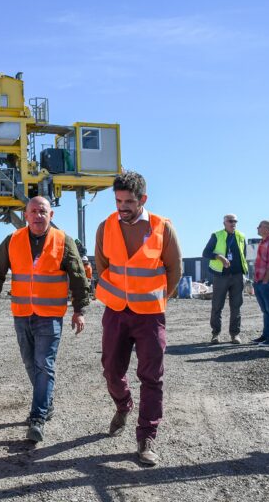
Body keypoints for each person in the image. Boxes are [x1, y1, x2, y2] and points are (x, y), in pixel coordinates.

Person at [0, 196, 88, 443]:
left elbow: (78, 277)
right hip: (22, 313)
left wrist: (79, 310)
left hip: (50, 316)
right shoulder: (13, 240)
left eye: (43, 211)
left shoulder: (63, 241)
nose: (38, 215)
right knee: (31, 363)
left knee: (44, 363)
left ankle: (37, 418)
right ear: (26, 215)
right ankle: (46, 402)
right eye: (33, 211)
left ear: (51, 216)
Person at [95, 171, 182, 466]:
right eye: (118, 200)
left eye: (129, 201)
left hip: (149, 316)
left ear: (143, 199)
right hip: (116, 313)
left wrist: (155, 299)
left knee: (152, 377)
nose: (122, 206)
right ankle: (123, 405)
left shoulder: (162, 228)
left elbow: (174, 270)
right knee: (110, 370)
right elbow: (102, 266)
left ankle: (147, 437)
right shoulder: (105, 227)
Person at [202, 213, 248, 344]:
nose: (233, 223)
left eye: (235, 221)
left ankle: (235, 335)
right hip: (221, 276)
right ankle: (215, 334)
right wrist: (219, 257)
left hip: (238, 276)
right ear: (224, 223)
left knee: (236, 306)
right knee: (217, 306)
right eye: (230, 221)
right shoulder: (216, 235)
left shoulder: (241, 236)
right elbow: (205, 253)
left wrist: (244, 274)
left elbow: (243, 256)